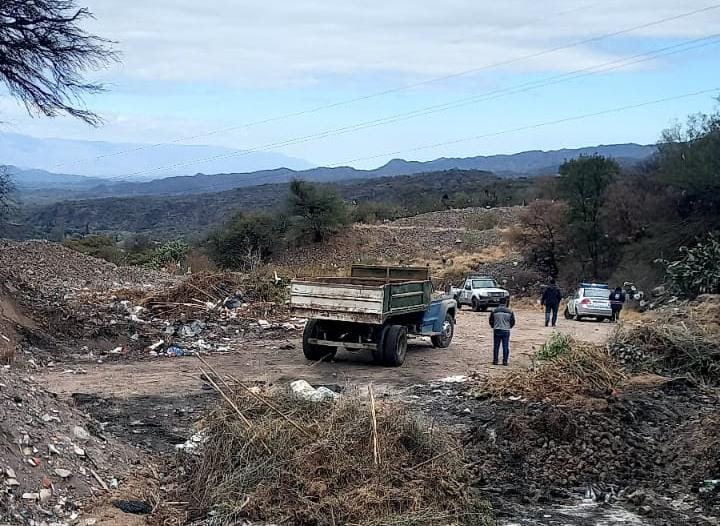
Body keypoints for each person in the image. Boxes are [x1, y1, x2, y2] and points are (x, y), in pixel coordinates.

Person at [488, 297, 516, 366]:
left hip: (497, 329)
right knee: (505, 346)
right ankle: (505, 361)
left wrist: (493, 326)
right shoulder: (510, 311)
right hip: (506, 330)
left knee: (496, 346)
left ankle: (495, 361)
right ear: (506, 303)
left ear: (499, 302)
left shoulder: (494, 311)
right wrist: (509, 327)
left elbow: (491, 320)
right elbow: (512, 321)